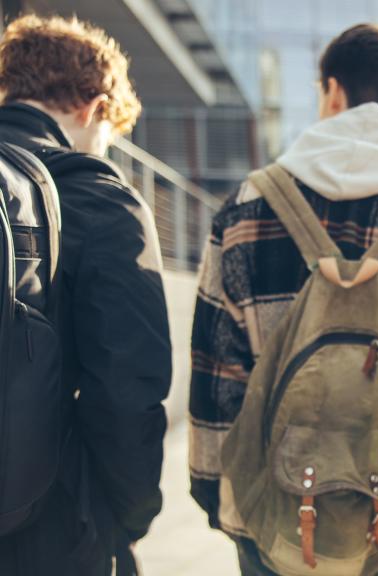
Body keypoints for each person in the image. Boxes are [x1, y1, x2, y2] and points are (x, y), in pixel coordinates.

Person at [188, 23, 378, 576]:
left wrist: (216, 495)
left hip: (276, 520)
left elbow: (217, 372)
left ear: (332, 91)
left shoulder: (247, 208)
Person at [0, 14, 172, 575]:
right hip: (50, 523)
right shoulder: (100, 199)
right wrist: (126, 519)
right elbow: (128, 388)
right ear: (95, 107)